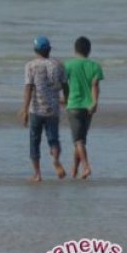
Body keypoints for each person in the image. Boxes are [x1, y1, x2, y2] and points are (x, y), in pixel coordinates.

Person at [20, 36, 67, 182]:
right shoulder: (58, 64)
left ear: (35, 50)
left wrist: (24, 109)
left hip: (36, 109)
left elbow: (29, 87)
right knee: (53, 139)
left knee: (34, 141)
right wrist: (67, 99)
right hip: (53, 109)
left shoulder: (30, 65)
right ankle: (56, 160)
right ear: (49, 50)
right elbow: (66, 85)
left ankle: (37, 174)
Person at [64, 36, 104, 179]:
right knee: (80, 139)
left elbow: (63, 85)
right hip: (88, 107)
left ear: (75, 49)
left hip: (73, 105)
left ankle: (86, 166)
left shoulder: (68, 65)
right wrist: (95, 102)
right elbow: (95, 85)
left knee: (78, 140)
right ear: (89, 50)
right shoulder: (95, 66)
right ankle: (75, 169)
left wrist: (63, 98)